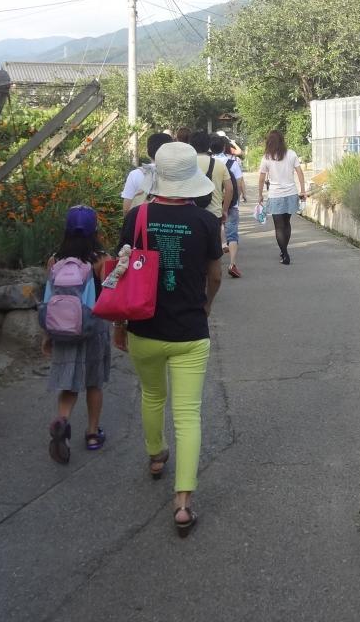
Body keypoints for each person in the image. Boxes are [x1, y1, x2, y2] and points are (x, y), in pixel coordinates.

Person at [112, 142, 223, 536]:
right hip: (190, 332)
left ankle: (156, 455)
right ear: (192, 178)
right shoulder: (206, 222)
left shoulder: (137, 216)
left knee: (152, 395)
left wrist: (120, 324)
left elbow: (121, 272)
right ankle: (183, 503)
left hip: (144, 328)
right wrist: (206, 306)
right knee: (188, 413)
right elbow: (215, 276)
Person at [42, 205, 111, 465]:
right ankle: (92, 434)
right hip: (94, 328)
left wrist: (47, 335)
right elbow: (110, 294)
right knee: (94, 382)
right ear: (95, 230)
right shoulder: (101, 259)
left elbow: (49, 297)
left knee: (69, 383)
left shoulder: (54, 260)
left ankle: (62, 420)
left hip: (62, 329)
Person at [256, 130, 306, 265]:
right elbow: (300, 172)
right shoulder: (291, 154)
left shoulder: (267, 157)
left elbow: (261, 178)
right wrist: (303, 190)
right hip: (291, 193)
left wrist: (260, 194)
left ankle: (284, 253)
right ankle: (284, 250)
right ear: (282, 140)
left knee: (279, 227)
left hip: (275, 195)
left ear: (269, 142)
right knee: (287, 224)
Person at [209, 134, 245, 278]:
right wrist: (239, 198)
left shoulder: (208, 163)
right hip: (231, 204)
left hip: (212, 203)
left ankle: (214, 263)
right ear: (224, 147)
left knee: (214, 232)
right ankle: (232, 263)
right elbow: (238, 183)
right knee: (233, 233)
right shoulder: (232, 163)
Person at [188, 131, 234, 227]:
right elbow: (229, 189)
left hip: (190, 213)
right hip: (214, 213)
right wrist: (225, 210)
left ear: (191, 145)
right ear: (209, 145)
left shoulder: (185, 164)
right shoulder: (219, 165)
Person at [121, 132, 173, 213]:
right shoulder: (178, 173)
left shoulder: (135, 174)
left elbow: (126, 209)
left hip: (143, 219)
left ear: (148, 152)